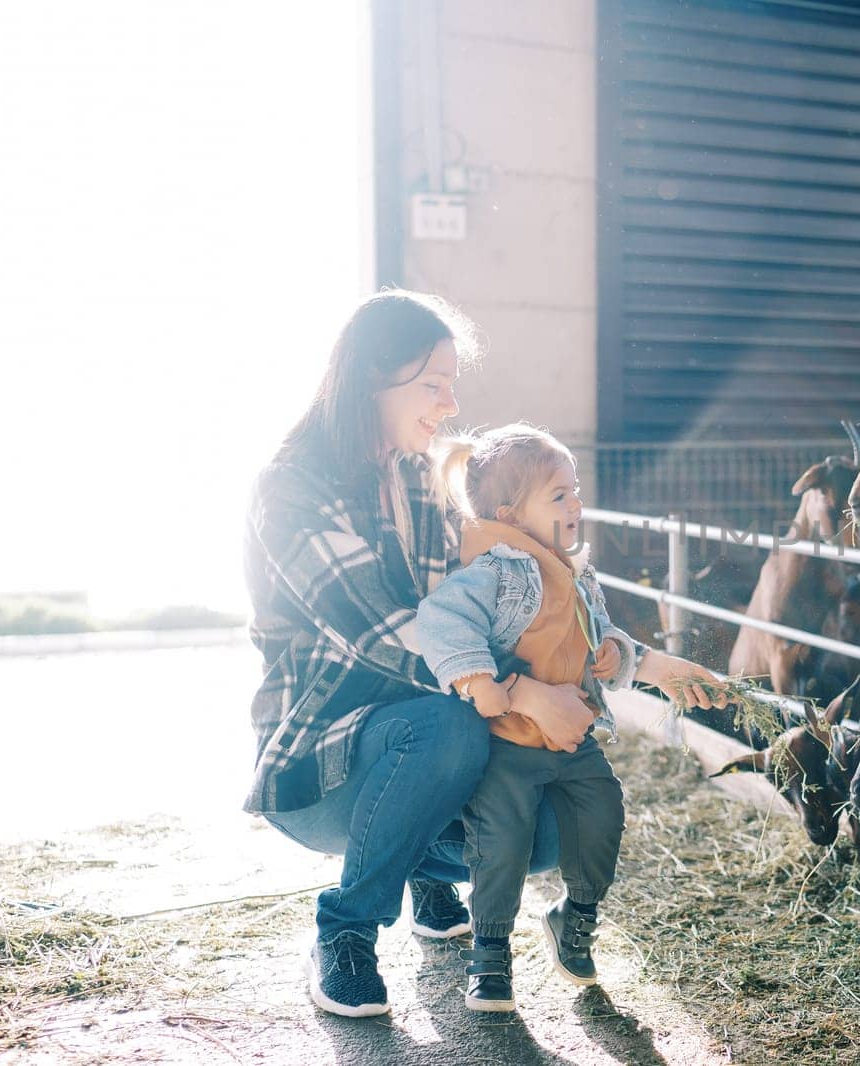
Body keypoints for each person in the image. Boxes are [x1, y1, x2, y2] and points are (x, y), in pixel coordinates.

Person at [243, 291, 601, 1018]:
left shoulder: (420, 479)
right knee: (447, 726)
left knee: (548, 826)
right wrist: (525, 693)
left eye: (450, 381)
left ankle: (420, 874)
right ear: (374, 376)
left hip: (430, 728)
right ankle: (345, 928)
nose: (450, 400)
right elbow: (385, 634)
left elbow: (476, 610)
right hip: (324, 759)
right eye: (432, 383)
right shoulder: (291, 489)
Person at [417, 423, 722, 1011]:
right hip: (508, 742)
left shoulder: (576, 573)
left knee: (605, 811)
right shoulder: (496, 570)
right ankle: (490, 953)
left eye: (576, 490)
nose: (576, 504)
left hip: (572, 738)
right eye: (559, 495)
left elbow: (596, 635)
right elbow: (441, 620)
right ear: (510, 514)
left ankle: (575, 915)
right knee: (501, 841)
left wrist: (614, 652)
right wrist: (478, 679)